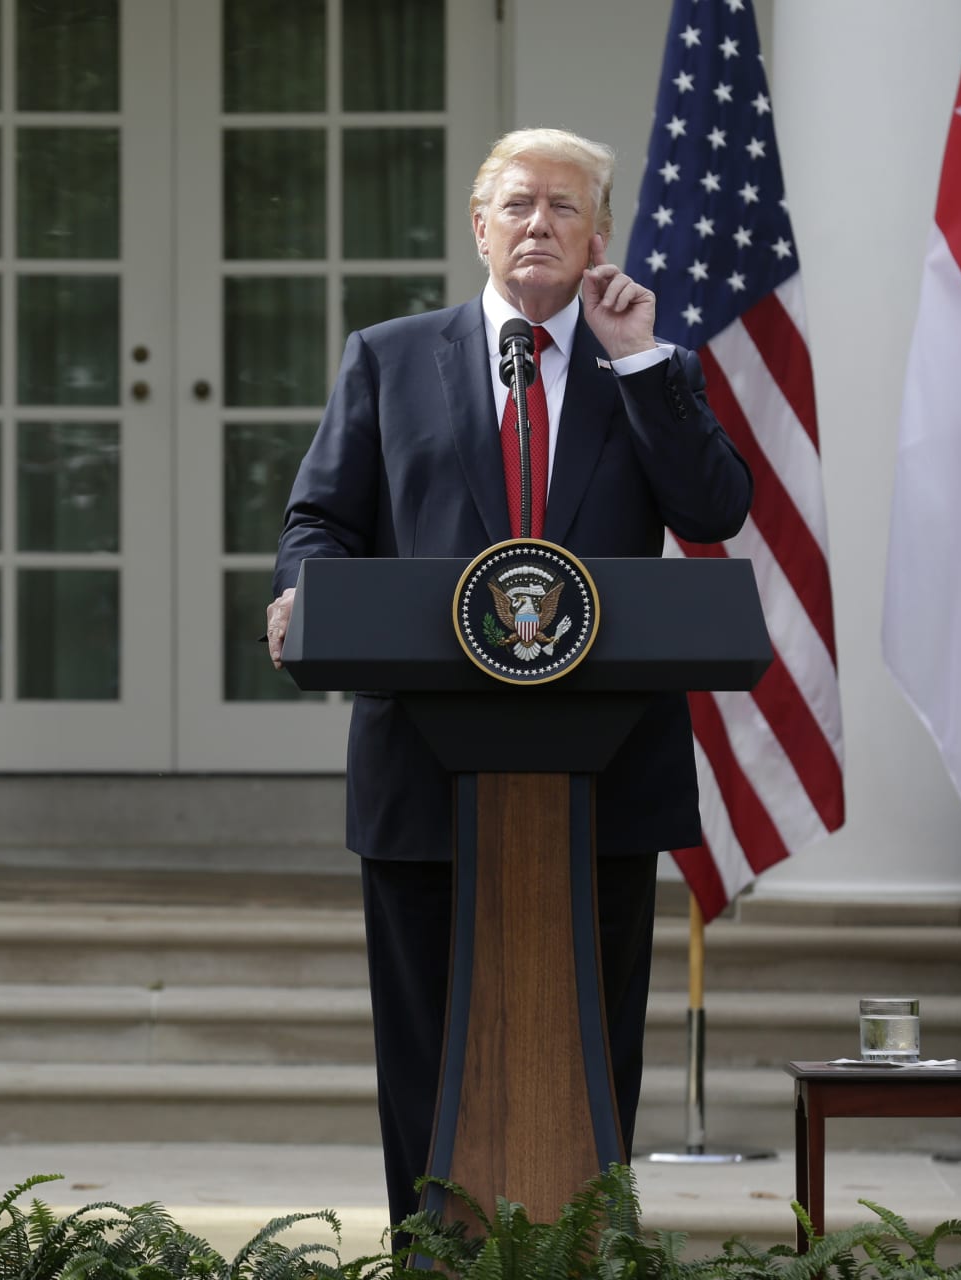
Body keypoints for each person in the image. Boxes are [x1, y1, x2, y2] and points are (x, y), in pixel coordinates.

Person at [264, 128, 752, 1228]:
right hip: (425, 771)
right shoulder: (389, 358)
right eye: (520, 204)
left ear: (600, 236)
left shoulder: (651, 369)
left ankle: (584, 1249)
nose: (540, 224)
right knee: (426, 1051)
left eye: (566, 207)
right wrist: (305, 594)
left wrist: (640, 362)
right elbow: (319, 520)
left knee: (591, 1040)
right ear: (479, 226)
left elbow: (714, 509)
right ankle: (431, 1256)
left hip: (605, 773)